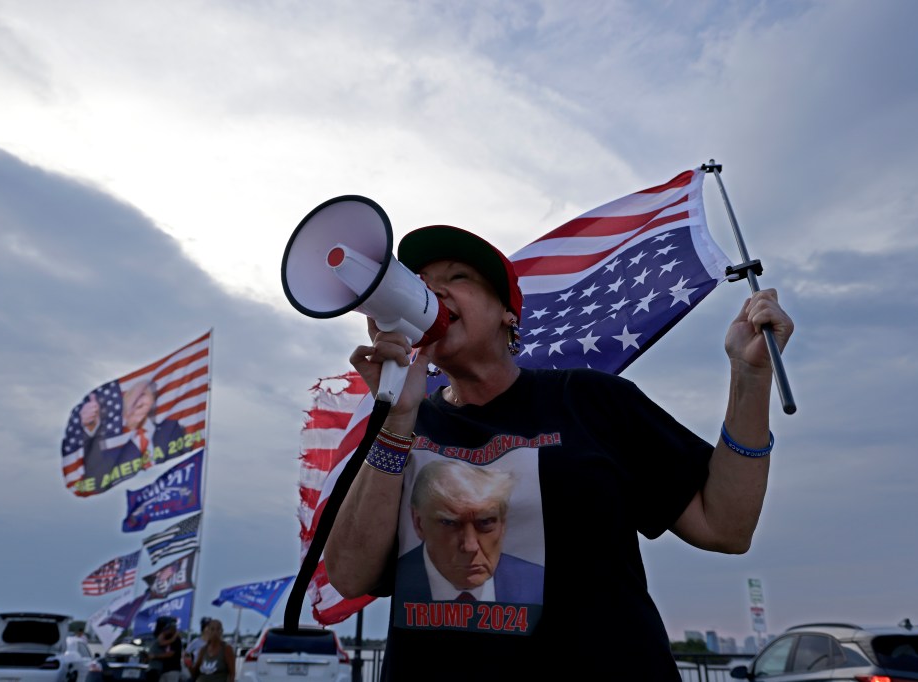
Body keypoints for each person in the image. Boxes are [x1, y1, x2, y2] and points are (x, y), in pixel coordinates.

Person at [325, 224, 795, 680]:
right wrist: (395, 423)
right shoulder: (401, 428)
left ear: (509, 314)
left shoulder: (592, 400)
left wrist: (750, 377)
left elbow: (725, 527)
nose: (435, 291)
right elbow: (349, 576)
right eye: (422, 284)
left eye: (458, 278)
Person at [396, 459, 544, 605]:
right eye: (450, 523)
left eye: (485, 522)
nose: (470, 546)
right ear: (418, 523)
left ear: (503, 522)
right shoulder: (392, 574)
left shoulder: (537, 581)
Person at [147, 617, 184, 682]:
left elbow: (170, 654)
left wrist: (155, 656)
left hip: (172, 669)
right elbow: (161, 643)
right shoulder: (164, 637)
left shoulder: (176, 640)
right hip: (162, 670)